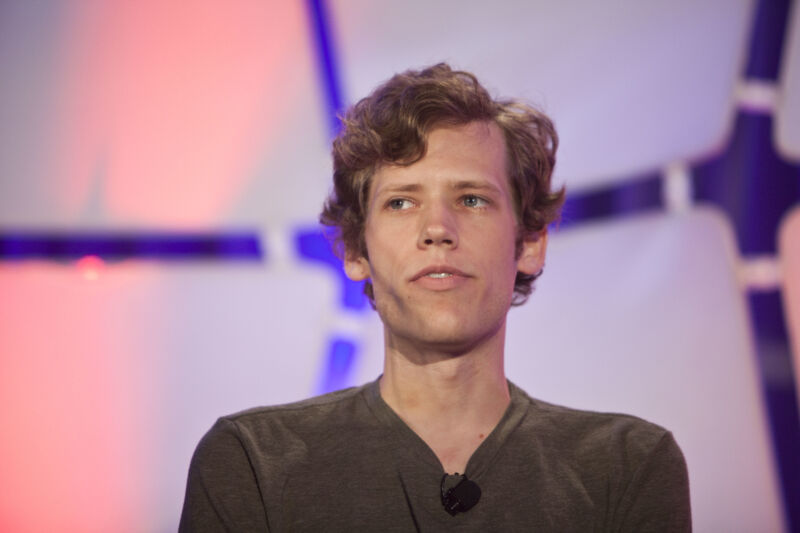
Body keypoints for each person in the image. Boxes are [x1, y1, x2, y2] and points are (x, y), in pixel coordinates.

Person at [179, 63, 691, 532]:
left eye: (471, 199)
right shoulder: (253, 464)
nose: (438, 230)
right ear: (357, 249)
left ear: (530, 243)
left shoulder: (626, 466)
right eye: (402, 202)